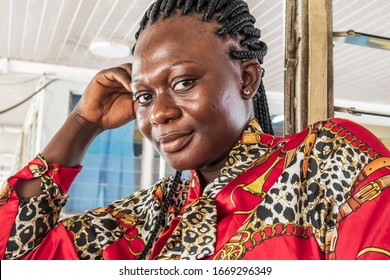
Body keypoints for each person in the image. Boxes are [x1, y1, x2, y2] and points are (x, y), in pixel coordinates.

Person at [0, 0, 389, 260]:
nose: (159, 114)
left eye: (184, 82)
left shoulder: (324, 159)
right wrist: (82, 124)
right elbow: (15, 256)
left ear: (248, 78)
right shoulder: (150, 215)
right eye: (144, 97)